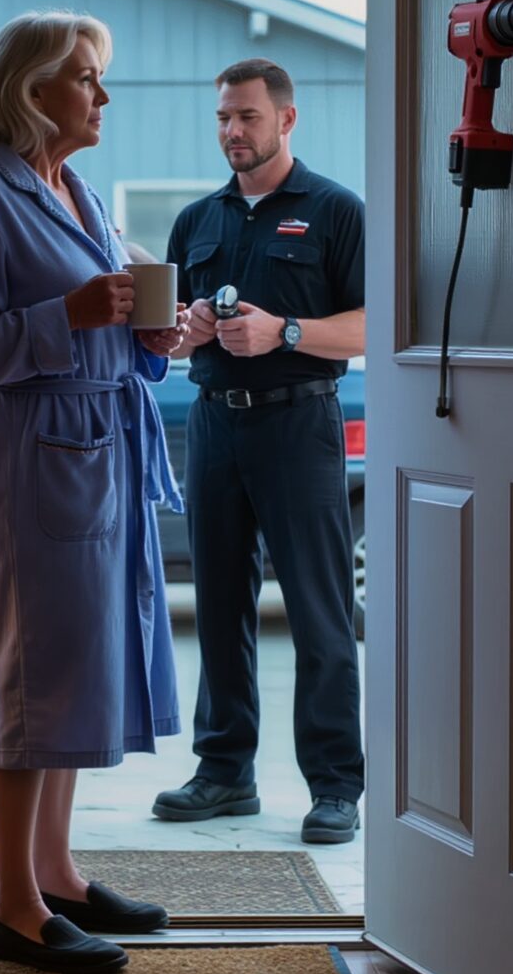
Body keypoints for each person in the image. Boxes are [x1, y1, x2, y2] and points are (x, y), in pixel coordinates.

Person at [0, 11, 188, 974]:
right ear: (34, 92)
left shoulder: (76, 189)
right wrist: (65, 315)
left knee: (81, 660)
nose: (103, 96)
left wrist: (149, 337)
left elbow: (98, 321)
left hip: (99, 443)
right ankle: (13, 905)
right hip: (30, 460)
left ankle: (61, 873)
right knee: (29, 671)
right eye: (86, 79)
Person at [154, 58, 366, 845]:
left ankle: (337, 784)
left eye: (246, 117)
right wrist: (187, 332)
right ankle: (223, 773)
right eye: (222, 119)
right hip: (214, 423)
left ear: (286, 119)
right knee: (219, 604)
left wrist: (288, 332)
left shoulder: (337, 210)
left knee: (318, 610)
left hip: (298, 423)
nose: (233, 133)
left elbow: (377, 325)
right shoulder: (197, 220)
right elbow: (166, 333)